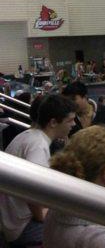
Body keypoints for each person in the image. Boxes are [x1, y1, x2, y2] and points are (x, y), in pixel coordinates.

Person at [0, 95, 76, 246]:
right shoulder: (38, 145)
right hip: (22, 226)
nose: (73, 124)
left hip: (10, 220)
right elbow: (32, 188)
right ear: (53, 122)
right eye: (70, 120)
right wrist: (43, 215)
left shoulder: (28, 136)